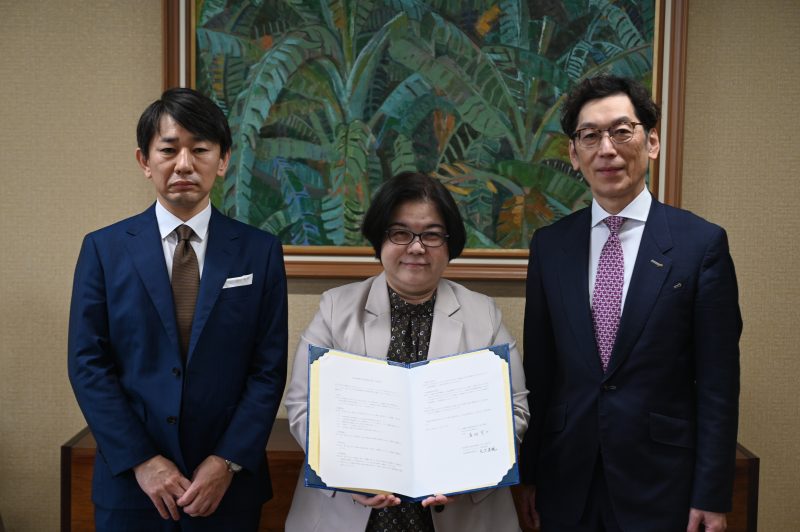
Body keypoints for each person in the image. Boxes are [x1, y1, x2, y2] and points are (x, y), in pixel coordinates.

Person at [518, 74, 742, 532]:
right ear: (574, 153)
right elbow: (540, 372)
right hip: (566, 481)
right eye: (590, 136)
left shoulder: (701, 245)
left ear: (651, 142)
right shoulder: (550, 246)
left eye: (622, 131)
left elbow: (718, 384)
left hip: (662, 484)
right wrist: (529, 475)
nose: (607, 149)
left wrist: (712, 494)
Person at [68, 87, 288, 531]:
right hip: (131, 487)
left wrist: (226, 461)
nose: (184, 164)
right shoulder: (104, 249)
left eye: (200, 150)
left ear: (223, 160)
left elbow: (267, 369)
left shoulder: (260, 251)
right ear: (144, 161)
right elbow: (88, 364)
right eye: (168, 150)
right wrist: (143, 461)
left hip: (227, 489)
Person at [283, 172, 530, 532]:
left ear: (450, 243)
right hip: (348, 510)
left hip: (461, 511)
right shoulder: (336, 308)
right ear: (380, 239)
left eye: (432, 235)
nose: (416, 248)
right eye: (400, 233)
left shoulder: (484, 314)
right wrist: (350, 475)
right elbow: (301, 405)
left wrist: (467, 473)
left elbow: (515, 410)